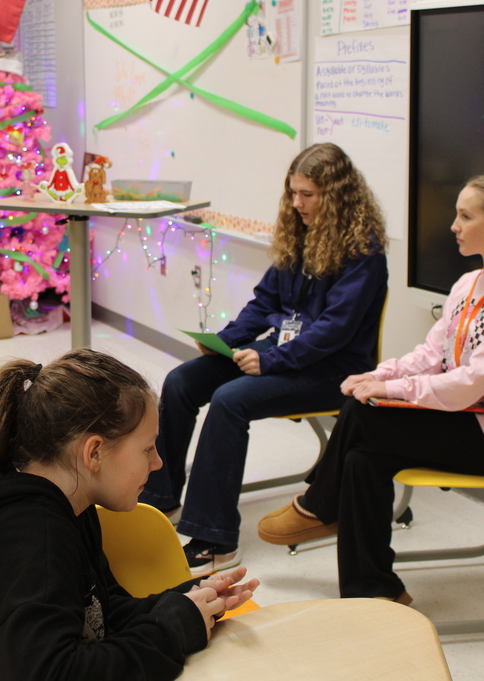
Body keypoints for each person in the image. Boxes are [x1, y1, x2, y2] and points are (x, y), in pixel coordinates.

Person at [256, 171, 484, 604]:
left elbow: (468, 385)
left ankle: (319, 505)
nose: (453, 225)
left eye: (465, 216)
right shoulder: (468, 284)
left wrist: (394, 391)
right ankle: (375, 593)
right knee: (361, 457)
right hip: (462, 416)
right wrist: (382, 376)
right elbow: (431, 355)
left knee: (363, 412)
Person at [0, 349, 259, 681]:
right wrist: (171, 632)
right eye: (147, 448)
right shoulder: (30, 538)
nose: (157, 463)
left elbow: (98, 611)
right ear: (94, 452)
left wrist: (183, 604)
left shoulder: (71, 501)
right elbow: (52, 674)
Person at [139, 143, 388, 577]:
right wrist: (227, 339)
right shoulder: (301, 236)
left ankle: (214, 539)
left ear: (336, 195)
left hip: (331, 369)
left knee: (232, 400)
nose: (297, 203)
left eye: (307, 194)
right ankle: (161, 499)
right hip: (285, 353)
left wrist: (271, 361)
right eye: (293, 193)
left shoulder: (364, 254)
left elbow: (333, 331)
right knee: (181, 382)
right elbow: (265, 302)